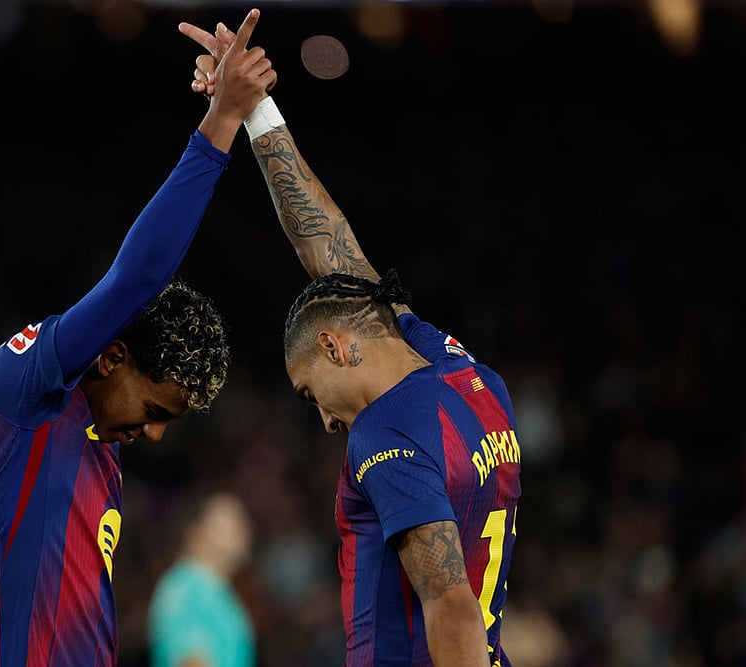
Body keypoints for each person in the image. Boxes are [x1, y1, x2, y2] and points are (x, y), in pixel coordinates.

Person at [179, 18, 521, 667]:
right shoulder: (462, 370)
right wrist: (255, 111)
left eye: (311, 393)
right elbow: (328, 245)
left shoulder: (386, 431)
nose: (328, 419)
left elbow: (448, 598)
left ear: (337, 347)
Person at [0, 10, 276, 666]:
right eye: (154, 409)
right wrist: (226, 121)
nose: (154, 433)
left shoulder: (95, 440)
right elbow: (139, 276)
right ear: (113, 354)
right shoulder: (24, 392)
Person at [147, 491, 256, 667]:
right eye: (232, 522)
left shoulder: (215, 591)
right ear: (196, 533)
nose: (246, 529)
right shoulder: (186, 589)